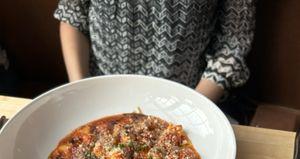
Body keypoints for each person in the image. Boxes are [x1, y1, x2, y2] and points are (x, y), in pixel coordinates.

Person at [54, 0, 255, 104]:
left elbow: (233, 44)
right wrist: (80, 91)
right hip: (101, 96)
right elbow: (73, 15)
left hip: (187, 98)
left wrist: (191, 110)